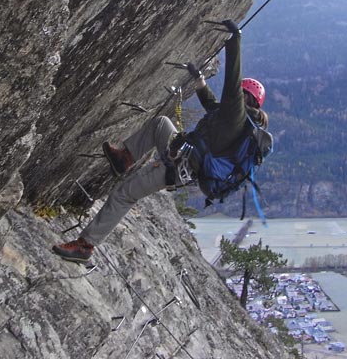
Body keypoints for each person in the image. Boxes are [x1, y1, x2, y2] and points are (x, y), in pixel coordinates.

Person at [53, 20, 268, 263]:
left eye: (239, 93)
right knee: (160, 124)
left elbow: (231, 82)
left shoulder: (235, 115)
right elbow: (211, 106)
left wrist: (235, 40)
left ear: (243, 97)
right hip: (184, 156)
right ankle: (124, 159)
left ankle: (86, 245)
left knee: (124, 194)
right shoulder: (235, 121)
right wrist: (199, 80)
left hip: (176, 166)